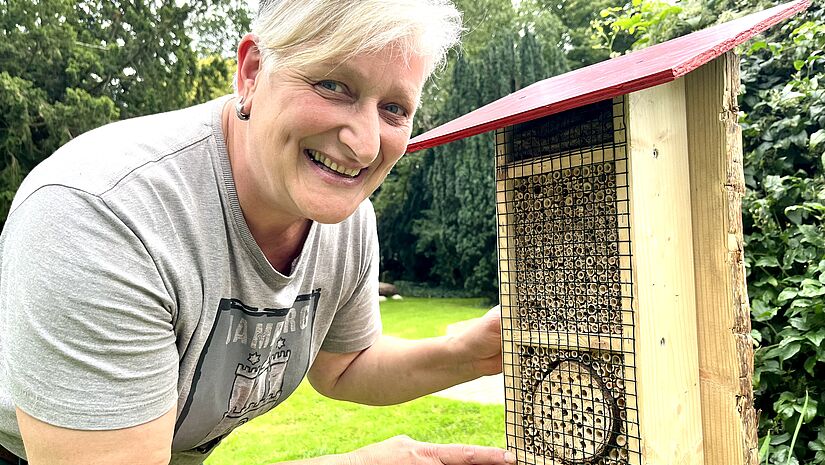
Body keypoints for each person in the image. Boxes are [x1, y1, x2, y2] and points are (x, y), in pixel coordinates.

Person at [0, 1, 515, 464]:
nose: (362, 146)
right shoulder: (102, 214)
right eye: (334, 85)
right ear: (251, 73)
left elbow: (344, 365)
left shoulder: (347, 218)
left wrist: (468, 352)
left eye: (394, 109)